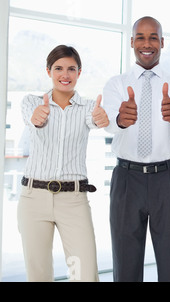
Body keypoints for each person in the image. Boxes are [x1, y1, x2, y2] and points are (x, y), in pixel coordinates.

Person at [103, 16, 170, 282]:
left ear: (162, 42)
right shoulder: (116, 84)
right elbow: (108, 119)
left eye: (153, 37)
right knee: (126, 266)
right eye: (140, 37)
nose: (147, 43)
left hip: (168, 179)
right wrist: (120, 118)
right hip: (127, 180)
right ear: (131, 42)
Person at [19, 44, 109, 282]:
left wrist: (105, 119)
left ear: (79, 72)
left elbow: (101, 121)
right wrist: (38, 118)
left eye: (71, 69)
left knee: (85, 274)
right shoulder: (31, 103)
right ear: (48, 71)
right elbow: (33, 121)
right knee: (38, 275)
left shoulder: (90, 108)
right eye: (58, 68)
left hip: (74, 200)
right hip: (33, 198)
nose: (65, 75)